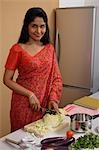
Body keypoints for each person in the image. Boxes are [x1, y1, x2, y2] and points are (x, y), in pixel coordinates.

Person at [3, 7, 62, 132]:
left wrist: (53, 99)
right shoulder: (17, 49)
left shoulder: (49, 48)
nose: (39, 31)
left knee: (41, 137)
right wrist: (30, 94)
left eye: (42, 26)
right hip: (23, 104)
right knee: (21, 140)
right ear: (27, 26)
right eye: (34, 26)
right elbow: (7, 80)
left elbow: (56, 77)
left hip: (43, 105)